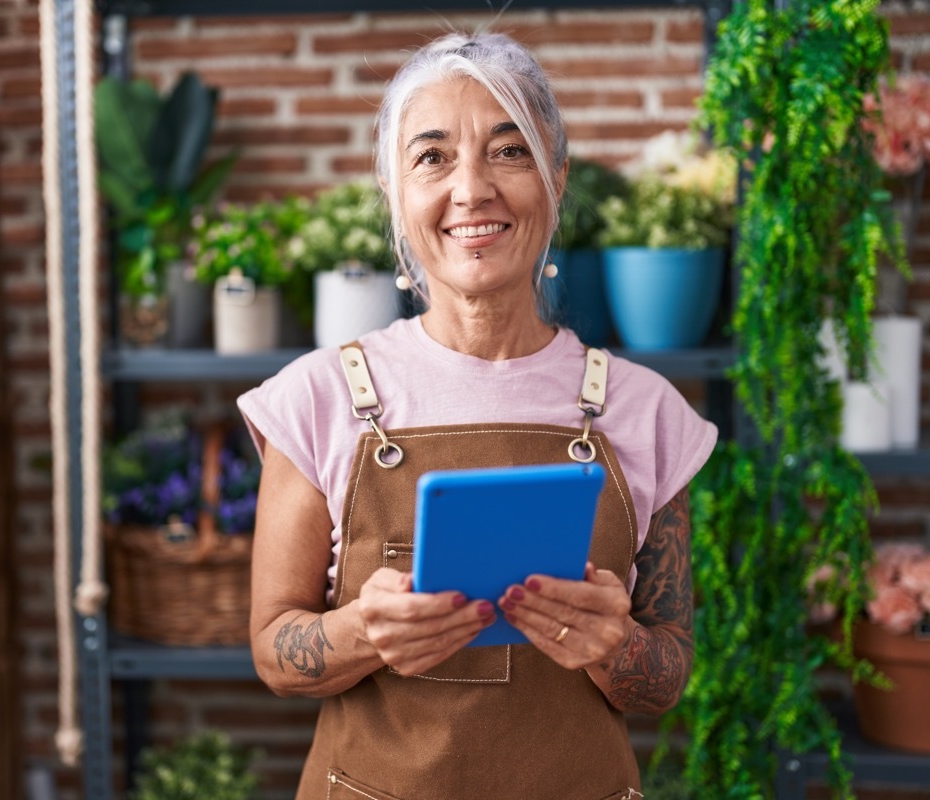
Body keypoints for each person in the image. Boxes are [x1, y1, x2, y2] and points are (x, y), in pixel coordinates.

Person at [237, 30, 717, 800]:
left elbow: (664, 679)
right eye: (431, 156)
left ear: (556, 181)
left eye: (509, 151)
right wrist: (364, 631)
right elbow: (273, 654)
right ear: (395, 193)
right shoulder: (316, 398)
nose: (471, 189)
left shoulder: (646, 410)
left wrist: (613, 644)